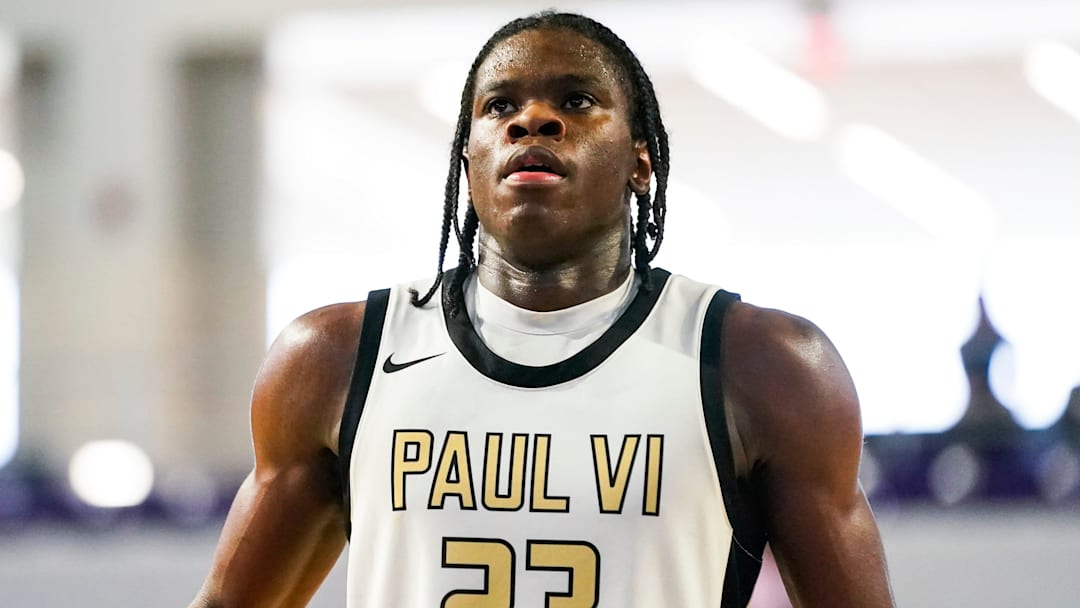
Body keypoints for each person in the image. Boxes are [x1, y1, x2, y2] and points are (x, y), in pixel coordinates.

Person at [190, 11, 894, 608]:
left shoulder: (764, 366)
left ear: (640, 160)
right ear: (468, 160)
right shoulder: (335, 359)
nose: (533, 119)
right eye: (500, 107)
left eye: (577, 100)